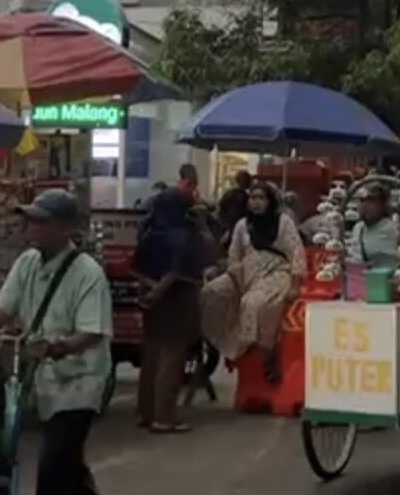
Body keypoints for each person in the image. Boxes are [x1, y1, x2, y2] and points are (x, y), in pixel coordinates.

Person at [0, 189, 125, 495]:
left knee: (53, 467)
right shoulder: (27, 263)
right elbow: (5, 308)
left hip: (82, 379)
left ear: (65, 228)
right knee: (67, 462)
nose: (30, 227)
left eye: (40, 221)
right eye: (29, 220)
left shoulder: (87, 272)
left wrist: (59, 346)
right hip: (43, 378)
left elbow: (93, 332)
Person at [201, 182, 306, 382]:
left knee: (252, 303)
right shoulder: (242, 225)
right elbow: (234, 255)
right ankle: (229, 343)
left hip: (275, 272)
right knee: (211, 293)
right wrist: (235, 278)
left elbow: (296, 253)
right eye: (253, 198)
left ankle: (268, 357)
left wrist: (294, 284)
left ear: (270, 201)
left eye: (261, 198)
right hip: (245, 273)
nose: (256, 203)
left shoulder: (283, 222)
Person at [131, 189, 214, 433]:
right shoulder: (187, 235)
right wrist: (202, 225)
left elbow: (135, 269)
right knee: (172, 358)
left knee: (151, 357)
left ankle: (145, 412)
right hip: (178, 299)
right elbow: (181, 270)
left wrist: (149, 292)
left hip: (150, 302)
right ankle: (164, 416)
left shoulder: (148, 233)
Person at [347, 185, 400, 269]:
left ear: (382, 204)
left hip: (384, 278)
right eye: (361, 200)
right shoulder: (358, 228)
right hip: (358, 277)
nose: (364, 205)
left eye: (370, 200)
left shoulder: (392, 229)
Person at [217, 170, 253, 240]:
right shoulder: (246, 197)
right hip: (236, 229)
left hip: (223, 226)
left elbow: (221, 205)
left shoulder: (229, 193)